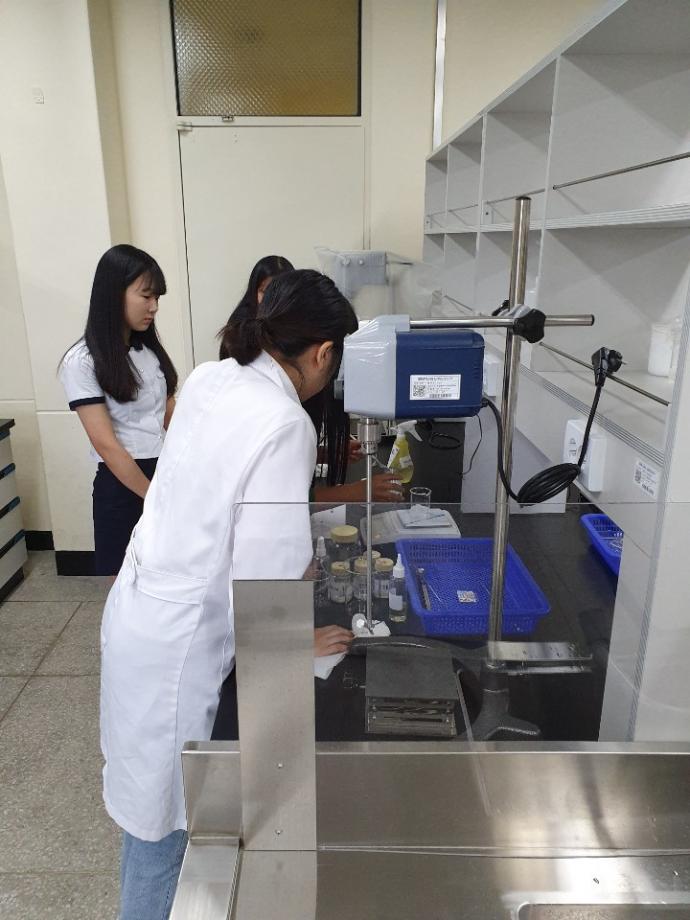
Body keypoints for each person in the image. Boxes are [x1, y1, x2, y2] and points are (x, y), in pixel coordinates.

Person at [101, 269, 357, 919]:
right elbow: (268, 580)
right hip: (181, 647)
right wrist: (300, 641)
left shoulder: (212, 377)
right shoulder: (285, 421)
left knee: (147, 820)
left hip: (142, 611)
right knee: (168, 833)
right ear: (324, 352)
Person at [219, 256, 402, 504]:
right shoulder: (287, 420)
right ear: (324, 355)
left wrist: (323, 453)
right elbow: (285, 505)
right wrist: (357, 492)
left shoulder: (206, 377)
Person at [59, 245, 178, 576]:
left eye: (158, 298)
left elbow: (171, 415)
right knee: (125, 584)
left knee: (169, 576)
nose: (154, 307)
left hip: (164, 471)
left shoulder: (148, 351)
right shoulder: (82, 361)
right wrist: (152, 495)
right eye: (146, 296)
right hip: (122, 484)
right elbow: (106, 445)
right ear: (114, 293)